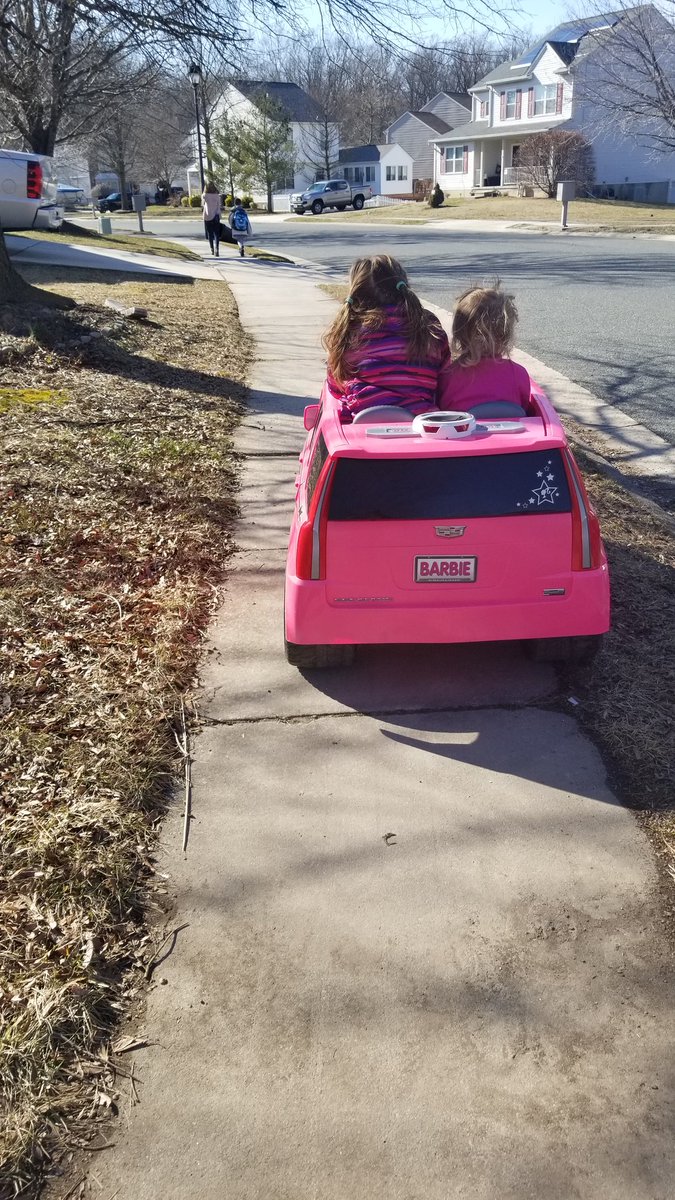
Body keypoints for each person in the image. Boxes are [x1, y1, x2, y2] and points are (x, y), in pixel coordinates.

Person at [323, 255, 450, 421]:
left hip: (362, 423)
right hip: (421, 422)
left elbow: (336, 387)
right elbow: (443, 376)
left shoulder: (350, 328)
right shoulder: (427, 324)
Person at [437, 284, 531, 412]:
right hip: (510, 431)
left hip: (464, 432)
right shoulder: (519, 375)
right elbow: (525, 409)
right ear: (506, 335)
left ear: (459, 334)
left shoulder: (447, 378)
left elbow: (443, 411)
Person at [202, 181, 222, 256]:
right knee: (216, 234)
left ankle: (212, 249)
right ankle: (217, 248)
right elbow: (219, 205)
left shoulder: (205, 195)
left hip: (207, 216)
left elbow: (202, 203)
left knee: (210, 234)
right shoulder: (217, 195)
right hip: (216, 216)